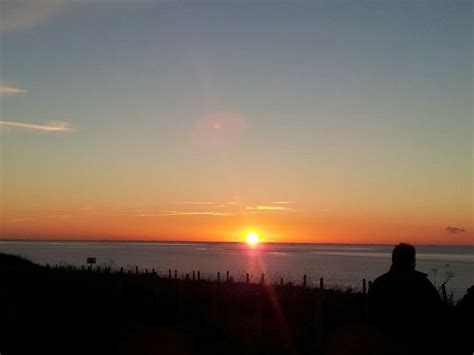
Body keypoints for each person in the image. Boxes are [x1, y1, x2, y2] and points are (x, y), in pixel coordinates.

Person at [368, 243, 446, 355]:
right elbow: (439, 314)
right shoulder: (422, 283)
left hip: (384, 344)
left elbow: (371, 315)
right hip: (417, 345)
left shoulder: (379, 283)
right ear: (412, 260)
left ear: (393, 259)